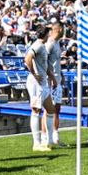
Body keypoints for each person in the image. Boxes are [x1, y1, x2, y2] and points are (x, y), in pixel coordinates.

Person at [25, 24, 54, 152]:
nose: (50, 36)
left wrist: (51, 77)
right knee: (36, 110)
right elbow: (28, 58)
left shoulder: (42, 46)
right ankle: (36, 143)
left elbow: (45, 65)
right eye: (49, 33)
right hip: (36, 83)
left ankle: (47, 140)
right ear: (45, 34)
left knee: (50, 109)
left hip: (43, 83)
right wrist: (33, 73)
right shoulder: (37, 45)